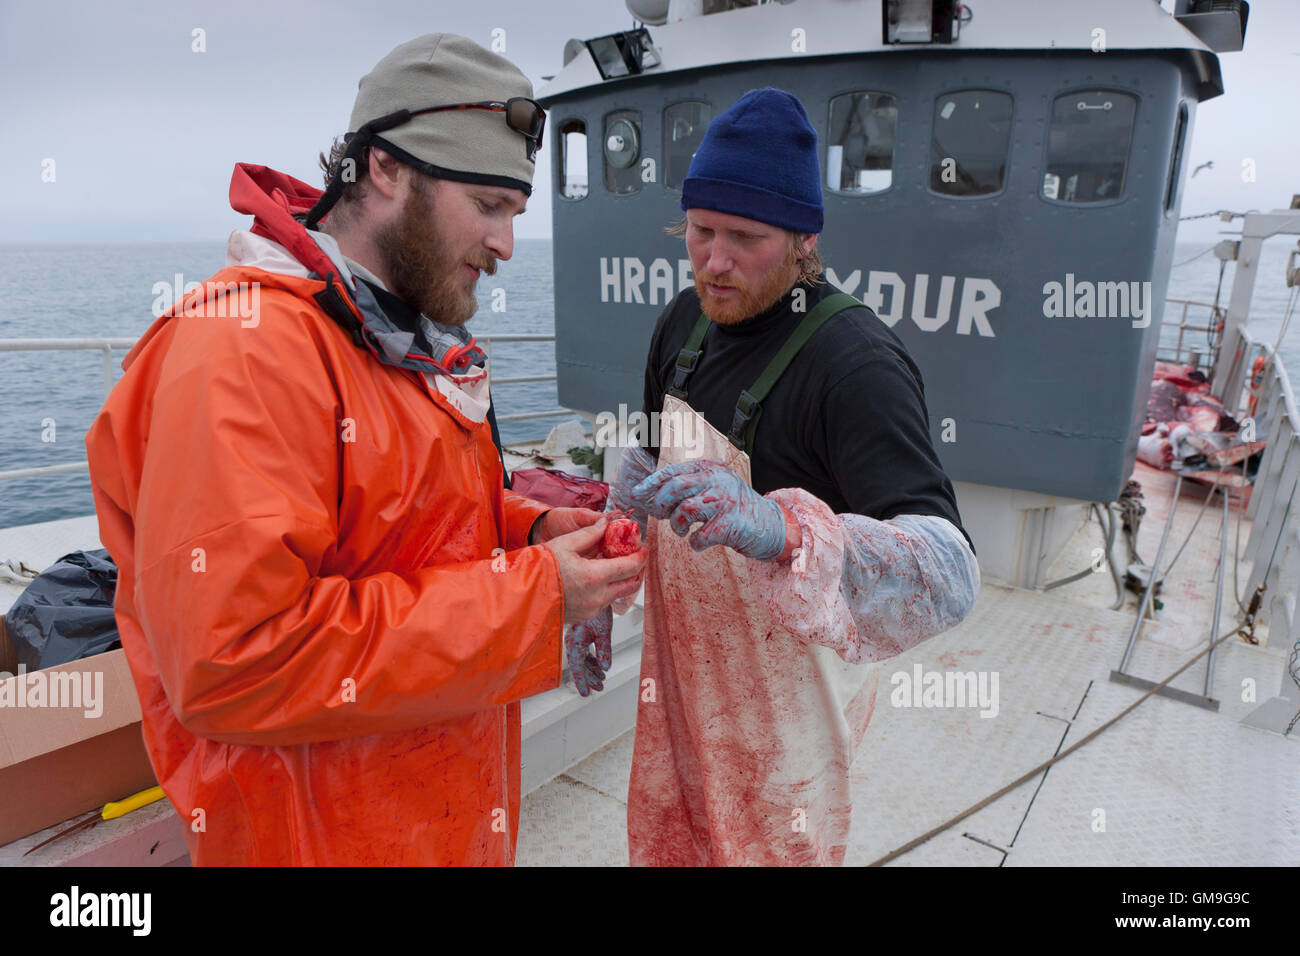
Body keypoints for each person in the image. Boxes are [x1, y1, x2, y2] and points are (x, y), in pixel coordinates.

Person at [83, 33, 645, 866]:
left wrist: (526, 532)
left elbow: (399, 527)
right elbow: (233, 661)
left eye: (514, 214)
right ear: (385, 169)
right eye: (489, 206)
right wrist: (533, 597)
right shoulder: (244, 352)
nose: (506, 246)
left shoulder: (389, 334)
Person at [607, 87, 981, 866]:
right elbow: (647, 456)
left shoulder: (856, 365)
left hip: (789, 723)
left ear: (805, 237)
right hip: (682, 689)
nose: (715, 261)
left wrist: (785, 532)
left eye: (745, 238)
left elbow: (949, 572)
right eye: (700, 231)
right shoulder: (683, 322)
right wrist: (604, 569)